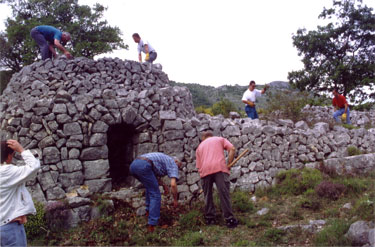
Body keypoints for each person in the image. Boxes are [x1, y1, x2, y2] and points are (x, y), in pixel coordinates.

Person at [0, 139, 41, 247]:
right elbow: (34, 167)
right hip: (9, 227)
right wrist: (22, 150)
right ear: (10, 155)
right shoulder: (6, 172)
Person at [195, 131, 238, 228]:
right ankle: (229, 220)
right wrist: (229, 164)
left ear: (203, 138)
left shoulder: (199, 147)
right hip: (219, 168)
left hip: (205, 171)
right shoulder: (219, 139)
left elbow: (198, 166)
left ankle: (210, 219)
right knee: (224, 194)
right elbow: (232, 148)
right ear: (211, 136)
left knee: (207, 195)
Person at [129, 152, 182, 232]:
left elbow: (153, 177)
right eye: (178, 167)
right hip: (144, 165)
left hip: (134, 165)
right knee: (156, 195)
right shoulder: (173, 163)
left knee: (150, 188)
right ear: (176, 162)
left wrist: (164, 185)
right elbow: (173, 185)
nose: (176, 170)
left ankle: (148, 212)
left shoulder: (164, 160)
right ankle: (152, 225)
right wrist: (175, 200)